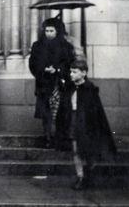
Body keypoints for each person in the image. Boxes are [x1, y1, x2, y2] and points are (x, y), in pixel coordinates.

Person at [56, 59, 116, 190]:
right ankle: (80, 176)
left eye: (74, 72)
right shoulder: (69, 88)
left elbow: (96, 111)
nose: (71, 74)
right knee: (76, 150)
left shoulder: (90, 90)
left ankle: (88, 174)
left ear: (83, 73)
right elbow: (65, 106)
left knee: (88, 150)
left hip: (87, 124)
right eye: (70, 72)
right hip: (73, 120)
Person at [29, 17, 75, 148]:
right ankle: (48, 137)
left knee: (61, 111)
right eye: (46, 30)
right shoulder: (37, 46)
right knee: (46, 112)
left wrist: (58, 69)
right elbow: (32, 64)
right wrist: (43, 69)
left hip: (59, 83)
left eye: (51, 31)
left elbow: (70, 64)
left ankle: (60, 138)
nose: (48, 33)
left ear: (57, 31)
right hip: (44, 83)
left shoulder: (66, 46)